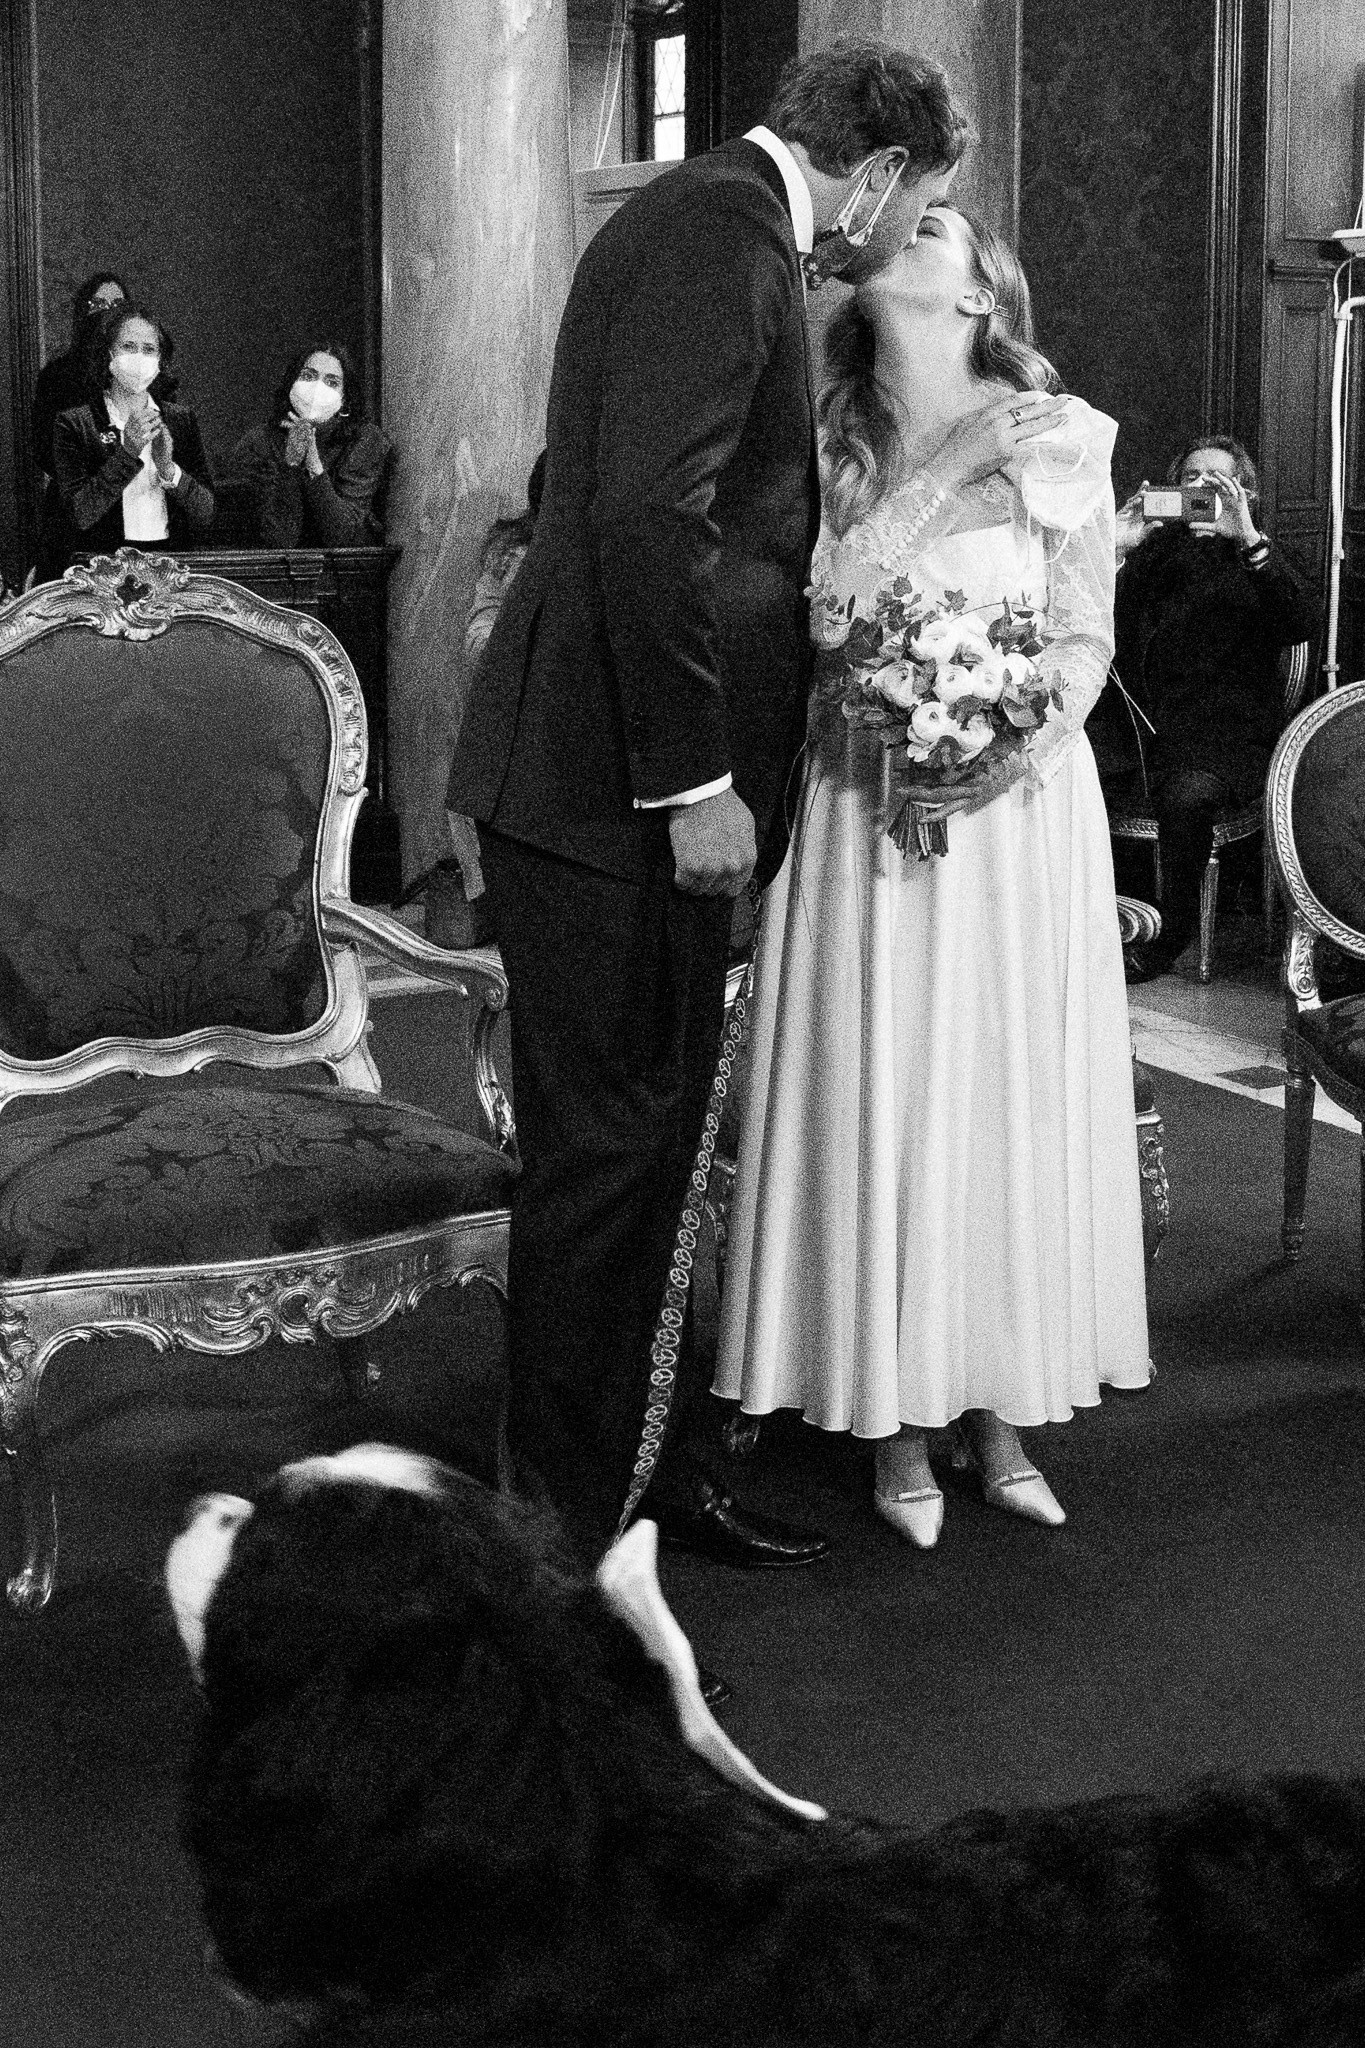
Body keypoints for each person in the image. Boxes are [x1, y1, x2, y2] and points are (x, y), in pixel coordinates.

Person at [447, 40, 974, 1577]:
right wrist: (692, 783)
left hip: (614, 785)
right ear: (874, 172)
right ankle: (556, 1562)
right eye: (917, 203)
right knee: (606, 1175)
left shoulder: (711, 226)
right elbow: (635, 515)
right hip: (614, 795)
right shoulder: (714, 236)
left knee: (655, 1152)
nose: (893, 240)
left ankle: (647, 1476)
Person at [713, 207, 1151, 1547]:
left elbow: (1081, 631)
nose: (915, 227)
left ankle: (1000, 1409)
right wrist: (947, 461)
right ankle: (893, 1421)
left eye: (944, 221)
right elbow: (829, 612)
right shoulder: (820, 429)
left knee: (1001, 1095)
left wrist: (1016, 741)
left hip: (1017, 816)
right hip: (861, 799)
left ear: (980, 290)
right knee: (884, 1086)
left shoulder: (1059, 431)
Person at [1096, 436, 1318, 980]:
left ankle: (1169, 937)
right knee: (1069, 769)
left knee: (1186, 795)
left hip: (1225, 736)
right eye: (1189, 478)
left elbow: (1302, 622)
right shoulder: (1155, 553)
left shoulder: (1258, 555)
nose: (1199, 488)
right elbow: (1094, 619)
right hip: (1146, 726)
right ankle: (1092, 923)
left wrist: (1247, 539)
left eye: (1216, 481)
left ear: (1245, 493)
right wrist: (1117, 546)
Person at [44, 301, 214, 576]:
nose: (139, 357)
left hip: (171, 567)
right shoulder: (75, 424)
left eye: (149, 349)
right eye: (128, 347)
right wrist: (127, 453)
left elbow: (206, 513)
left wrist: (170, 471)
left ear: (160, 359)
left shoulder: (180, 420)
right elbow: (79, 515)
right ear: (108, 353)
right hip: (101, 572)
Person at [231, 343, 390, 550]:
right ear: (291, 384)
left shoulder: (367, 441)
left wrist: (314, 464)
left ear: (345, 399)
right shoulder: (259, 441)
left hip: (343, 574)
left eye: (331, 382)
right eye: (308, 376)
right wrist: (291, 465)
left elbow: (343, 535)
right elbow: (279, 538)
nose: (317, 388)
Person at [32, 271, 128, 478]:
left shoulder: (143, 374)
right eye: (100, 304)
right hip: (79, 495)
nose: (109, 313)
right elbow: (45, 448)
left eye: (118, 305)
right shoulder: (58, 376)